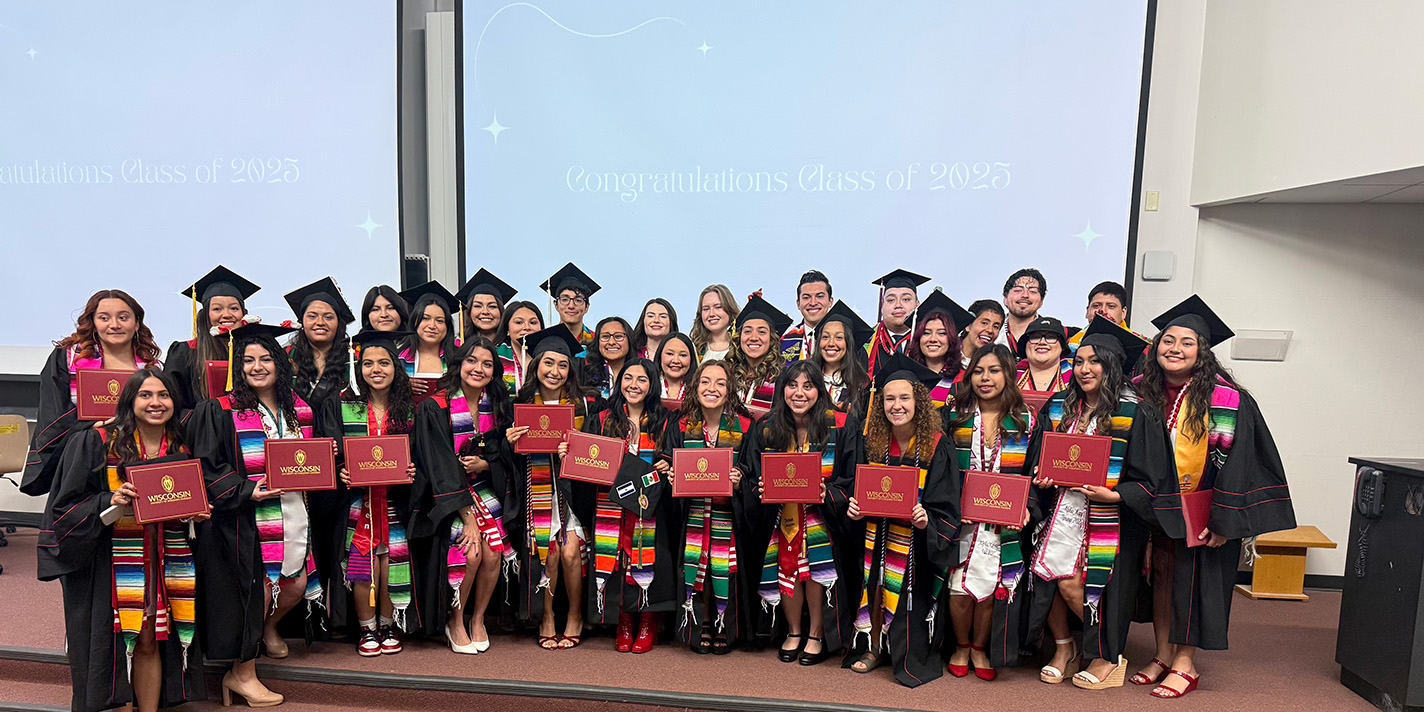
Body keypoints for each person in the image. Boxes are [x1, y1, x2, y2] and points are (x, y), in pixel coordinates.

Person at [1119, 296, 1295, 699]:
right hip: (1154, 507)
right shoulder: (1140, 392)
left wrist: (1223, 518)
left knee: (1192, 582)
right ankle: (1163, 653)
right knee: (1159, 578)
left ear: (1202, 352)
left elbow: (1241, 462)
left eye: (1186, 342)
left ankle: (1185, 662)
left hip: (1202, 506)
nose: (1174, 349)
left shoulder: (1228, 399)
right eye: (1167, 340)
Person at [38, 369, 210, 712]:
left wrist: (193, 515)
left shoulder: (179, 447)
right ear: (129, 401)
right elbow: (64, 507)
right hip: (108, 562)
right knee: (115, 643)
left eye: (163, 395)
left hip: (160, 560)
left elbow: (176, 506)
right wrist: (111, 502)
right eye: (145, 395)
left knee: (149, 638)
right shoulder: (97, 441)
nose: (156, 403)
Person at [188, 321, 325, 705]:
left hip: (294, 509)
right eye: (248, 360)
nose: (257, 366)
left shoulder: (301, 410)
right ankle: (242, 673)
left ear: (280, 363)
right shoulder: (220, 409)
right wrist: (248, 489)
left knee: (295, 585)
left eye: (266, 358)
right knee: (255, 593)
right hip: (245, 519)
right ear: (238, 367)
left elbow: (311, 458)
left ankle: (267, 630)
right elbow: (206, 465)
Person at [1021, 317, 1163, 689]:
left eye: (1094, 361)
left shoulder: (1136, 412)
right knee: (1049, 575)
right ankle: (1066, 648)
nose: (1084, 369)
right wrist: (1042, 476)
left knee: (1085, 586)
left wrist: (1115, 495)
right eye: (1079, 361)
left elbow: (1152, 478)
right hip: (1062, 510)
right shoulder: (1059, 407)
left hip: (1110, 516)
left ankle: (1106, 654)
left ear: (1112, 365)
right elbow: (1040, 459)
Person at [837, 354, 960, 687]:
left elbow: (947, 503)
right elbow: (854, 486)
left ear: (918, 401)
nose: (896, 405)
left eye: (904, 398)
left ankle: (902, 650)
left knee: (906, 591)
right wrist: (855, 509)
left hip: (917, 545)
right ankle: (872, 647)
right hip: (875, 534)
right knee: (873, 586)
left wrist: (926, 520)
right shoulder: (871, 443)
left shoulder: (937, 446)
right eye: (889, 398)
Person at [740, 360, 857, 667]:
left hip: (822, 515)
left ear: (820, 390)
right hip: (780, 517)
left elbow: (850, 476)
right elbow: (751, 474)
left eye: (808, 386)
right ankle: (793, 631)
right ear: (782, 389)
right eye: (792, 385)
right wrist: (761, 491)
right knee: (786, 566)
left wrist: (827, 494)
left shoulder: (839, 425)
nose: (799, 393)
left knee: (816, 569)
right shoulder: (766, 427)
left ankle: (816, 633)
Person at [410, 336, 517, 654]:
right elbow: (438, 466)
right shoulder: (436, 406)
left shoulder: (497, 408)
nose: (478, 368)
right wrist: (466, 517)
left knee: (494, 552)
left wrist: (486, 463)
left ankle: (478, 618)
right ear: (458, 364)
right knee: (471, 553)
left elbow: (502, 456)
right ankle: (455, 620)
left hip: (484, 488)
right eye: (472, 361)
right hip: (446, 497)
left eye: (487, 363)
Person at [319, 330, 422, 656]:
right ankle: (367, 629)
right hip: (356, 503)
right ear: (358, 367)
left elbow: (420, 455)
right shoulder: (342, 404)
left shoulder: (409, 409)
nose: (376, 369)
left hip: (395, 502)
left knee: (391, 562)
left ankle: (389, 623)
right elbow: (330, 455)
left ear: (396, 367)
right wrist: (341, 472)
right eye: (368, 363)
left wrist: (413, 471)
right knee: (362, 563)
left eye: (384, 363)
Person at [943, 344, 1036, 681]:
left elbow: (1033, 473)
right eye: (979, 371)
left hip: (1003, 521)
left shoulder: (1026, 419)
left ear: (1008, 374)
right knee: (958, 585)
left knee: (992, 586)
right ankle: (961, 646)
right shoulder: (955, 416)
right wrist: (952, 506)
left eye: (994, 370)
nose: (985, 378)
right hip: (964, 519)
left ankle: (980, 648)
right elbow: (942, 469)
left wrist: (1028, 505)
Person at [571, 358, 677, 653]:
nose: (634, 385)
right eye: (628, 378)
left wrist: (666, 464)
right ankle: (624, 621)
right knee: (618, 561)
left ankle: (647, 621)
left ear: (652, 385)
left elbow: (672, 457)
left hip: (649, 505)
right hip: (611, 505)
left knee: (645, 560)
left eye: (642, 380)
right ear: (619, 382)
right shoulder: (603, 418)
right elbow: (589, 461)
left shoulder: (665, 421)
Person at [508, 326, 601, 650]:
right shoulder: (518, 403)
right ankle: (547, 616)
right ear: (536, 366)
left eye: (562, 365)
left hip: (571, 493)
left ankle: (575, 615)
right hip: (535, 494)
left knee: (572, 551)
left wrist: (572, 452)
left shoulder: (584, 407)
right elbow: (509, 462)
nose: (555, 371)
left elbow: (595, 455)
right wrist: (510, 444)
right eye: (548, 363)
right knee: (549, 553)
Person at [23, 289, 162, 496]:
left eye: (123, 318)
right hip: (85, 455)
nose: (114, 325)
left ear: (137, 323)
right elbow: (53, 410)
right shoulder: (68, 358)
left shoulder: (151, 366)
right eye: (104, 318)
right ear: (94, 323)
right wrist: (89, 424)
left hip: (137, 453)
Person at [663, 359, 752, 654]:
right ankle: (700, 621)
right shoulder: (680, 425)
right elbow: (666, 464)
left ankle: (723, 621)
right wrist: (672, 477)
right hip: (693, 512)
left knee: (723, 561)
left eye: (720, 383)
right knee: (696, 557)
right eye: (705, 381)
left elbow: (754, 472)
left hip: (730, 513)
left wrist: (740, 482)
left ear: (730, 391)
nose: (711, 388)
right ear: (695, 387)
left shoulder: (746, 426)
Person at [164, 266, 260, 412]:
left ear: (243, 314)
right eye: (217, 309)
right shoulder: (185, 352)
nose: (227, 314)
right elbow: (173, 405)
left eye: (234, 308)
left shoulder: (255, 352)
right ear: (205, 315)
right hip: (201, 431)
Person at [284, 277, 353, 410]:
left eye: (328, 317)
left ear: (338, 323)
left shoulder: (353, 359)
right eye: (312, 316)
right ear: (302, 322)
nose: (320, 322)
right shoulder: (286, 357)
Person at [732, 293, 793, 418]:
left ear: (771, 339)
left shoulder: (783, 378)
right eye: (748, 331)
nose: (754, 337)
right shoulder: (728, 373)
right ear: (739, 337)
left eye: (761, 332)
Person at [809, 300, 872, 420]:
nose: (831, 343)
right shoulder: (806, 377)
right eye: (825, 337)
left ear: (849, 343)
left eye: (839, 337)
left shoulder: (862, 385)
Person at [909, 290, 973, 407]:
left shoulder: (965, 380)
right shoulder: (907, 377)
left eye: (942, 333)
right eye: (926, 333)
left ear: (952, 339)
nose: (933, 339)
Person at [399, 280, 460, 400]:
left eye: (440, 321)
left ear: (447, 327)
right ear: (414, 321)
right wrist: (400, 386)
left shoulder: (459, 358)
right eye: (425, 318)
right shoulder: (398, 357)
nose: (432, 326)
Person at [867, 269, 930, 377]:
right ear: (882, 305)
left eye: (906, 299)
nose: (898, 305)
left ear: (917, 305)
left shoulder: (930, 340)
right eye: (891, 300)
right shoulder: (865, 341)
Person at [541, 262, 600, 348]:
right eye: (565, 300)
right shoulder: (545, 341)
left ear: (587, 307)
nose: (571, 306)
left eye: (578, 300)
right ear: (556, 305)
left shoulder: (597, 343)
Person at [780, 270, 833, 362]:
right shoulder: (783, 344)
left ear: (830, 302)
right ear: (798, 304)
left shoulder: (847, 340)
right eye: (806, 297)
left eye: (820, 296)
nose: (813, 303)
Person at [495, 300, 543, 395]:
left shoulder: (548, 355)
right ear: (507, 329)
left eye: (533, 323)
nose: (526, 327)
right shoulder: (495, 356)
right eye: (519, 322)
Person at [458, 268, 518, 343]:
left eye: (492, 306)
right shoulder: (457, 346)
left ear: (501, 311)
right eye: (478, 306)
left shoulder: (513, 348)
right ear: (469, 311)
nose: (485, 311)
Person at [1016, 316, 1073, 394]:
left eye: (1051, 337)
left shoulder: (1077, 379)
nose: (1042, 342)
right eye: (1035, 337)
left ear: (1062, 346)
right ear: (1025, 345)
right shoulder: (1007, 378)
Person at [584, 316, 633, 400]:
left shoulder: (641, 371)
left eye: (618, 336)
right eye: (605, 336)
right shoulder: (585, 371)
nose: (611, 342)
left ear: (629, 340)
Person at [1000, 268, 1047, 354]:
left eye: (1032, 291)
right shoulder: (992, 333)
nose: (1025, 295)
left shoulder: (1053, 335)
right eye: (1018, 290)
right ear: (1005, 299)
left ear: (1041, 301)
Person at [689, 284, 741, 362]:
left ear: (730, 309)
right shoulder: (694, 348)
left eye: (718, 307)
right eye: (706, 309)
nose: (711, 314)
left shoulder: (741, 346)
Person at [655, 332, 698, 406]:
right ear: (660, 355)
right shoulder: (648, 386)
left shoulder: (699, 389)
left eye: (683, 355)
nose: (676, 361)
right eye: (670, 354)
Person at [962, 300, 1005, 370]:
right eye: (984, 323)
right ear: (968, 325)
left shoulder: (996, 365)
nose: (990, 330)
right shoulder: (945, 352)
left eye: (996, 327)